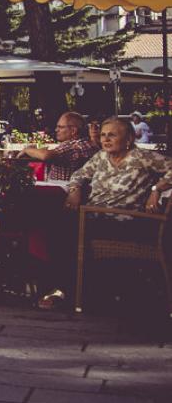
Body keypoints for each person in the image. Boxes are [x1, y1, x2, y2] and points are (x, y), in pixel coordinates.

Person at [39, 117, 171, 310]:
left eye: (112, 135)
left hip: (124, 220)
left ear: (128, 139)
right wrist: (75, 190)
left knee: (62, 229)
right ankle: (67, 287)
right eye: (103, 135)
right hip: (93, 215)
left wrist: (156, 189)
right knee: (51, 222)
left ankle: (66, 290)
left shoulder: (143, 157)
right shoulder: (101, 157)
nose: (106, 139)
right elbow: (79, 174)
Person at [20, 111, 95, 182]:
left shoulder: (73, 145)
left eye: (60, 127)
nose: (56, 130)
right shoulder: (86, 143)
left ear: (73, 131)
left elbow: (46, 155)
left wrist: (27, 149)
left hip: (63, 190)